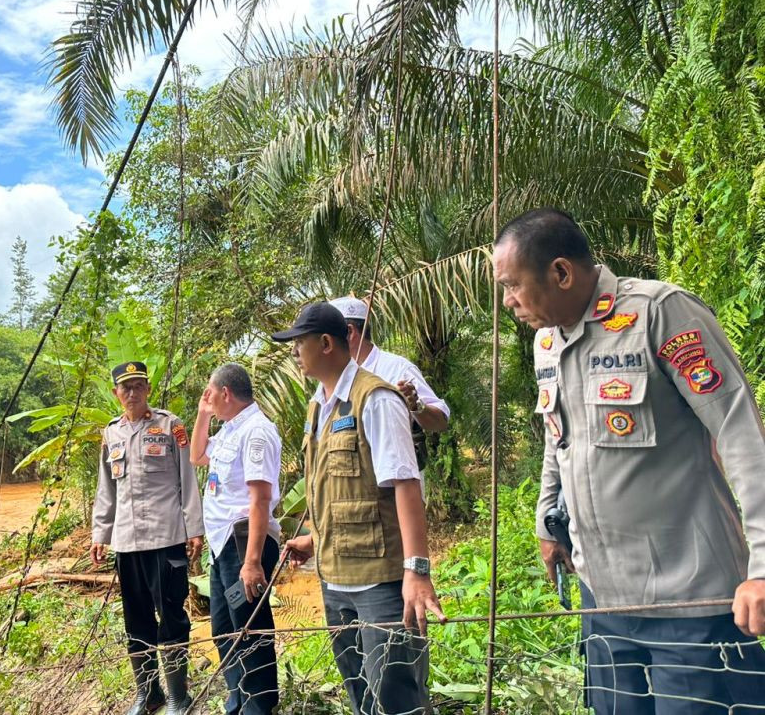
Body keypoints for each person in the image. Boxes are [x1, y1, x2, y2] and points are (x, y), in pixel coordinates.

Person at [493, 207, 765, 713]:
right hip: (603, 598)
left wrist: (763, 568)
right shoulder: (547, 342)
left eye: (512, 286)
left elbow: (741, 434)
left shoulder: (660, 314)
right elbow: (559, 438)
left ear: (560, 272)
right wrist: (547, 525)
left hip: (690, 599)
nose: (507, 302)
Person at [272, 303, 446, 715]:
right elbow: (339, 488)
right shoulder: (318, 406)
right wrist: (315, 539)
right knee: (361, 695)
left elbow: (405, 485)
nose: (295, 352)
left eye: (300, 342)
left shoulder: (377, 399)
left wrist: (417, 571)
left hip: (380, 584)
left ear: (327, 343)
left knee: (396, 696)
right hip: (335, 581)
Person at [90, 361, 204, 715]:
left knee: (171, 616)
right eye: (125, 387)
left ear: (148, 389)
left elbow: (187, 479)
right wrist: (100, 532)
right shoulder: (111, 434)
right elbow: (106, 487)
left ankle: (177, 696)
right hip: (127, 542)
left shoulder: (171, 427)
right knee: (136, 619)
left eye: (138, 385)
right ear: (116, 393)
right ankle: (148, 693)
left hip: (166, 537)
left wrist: (194, 528)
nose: (132, 392)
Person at [190, 362, 282, 715]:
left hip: (244, 543)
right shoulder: (230, 428)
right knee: (224, 627)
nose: (208, 398)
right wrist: (203, 414)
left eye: (210, 394)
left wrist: (252, 562)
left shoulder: (256, 432)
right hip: (222, 544)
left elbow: (259, 499)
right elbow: (198, 456)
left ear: (225, 393)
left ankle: (260, 704)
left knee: (249, 627)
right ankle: (238, 697)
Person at [329, 295, 449, 444]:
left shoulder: (398, 369)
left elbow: (441, 422)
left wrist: (416, 405)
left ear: (350, 332)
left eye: (326, 335)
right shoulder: (331, 377)